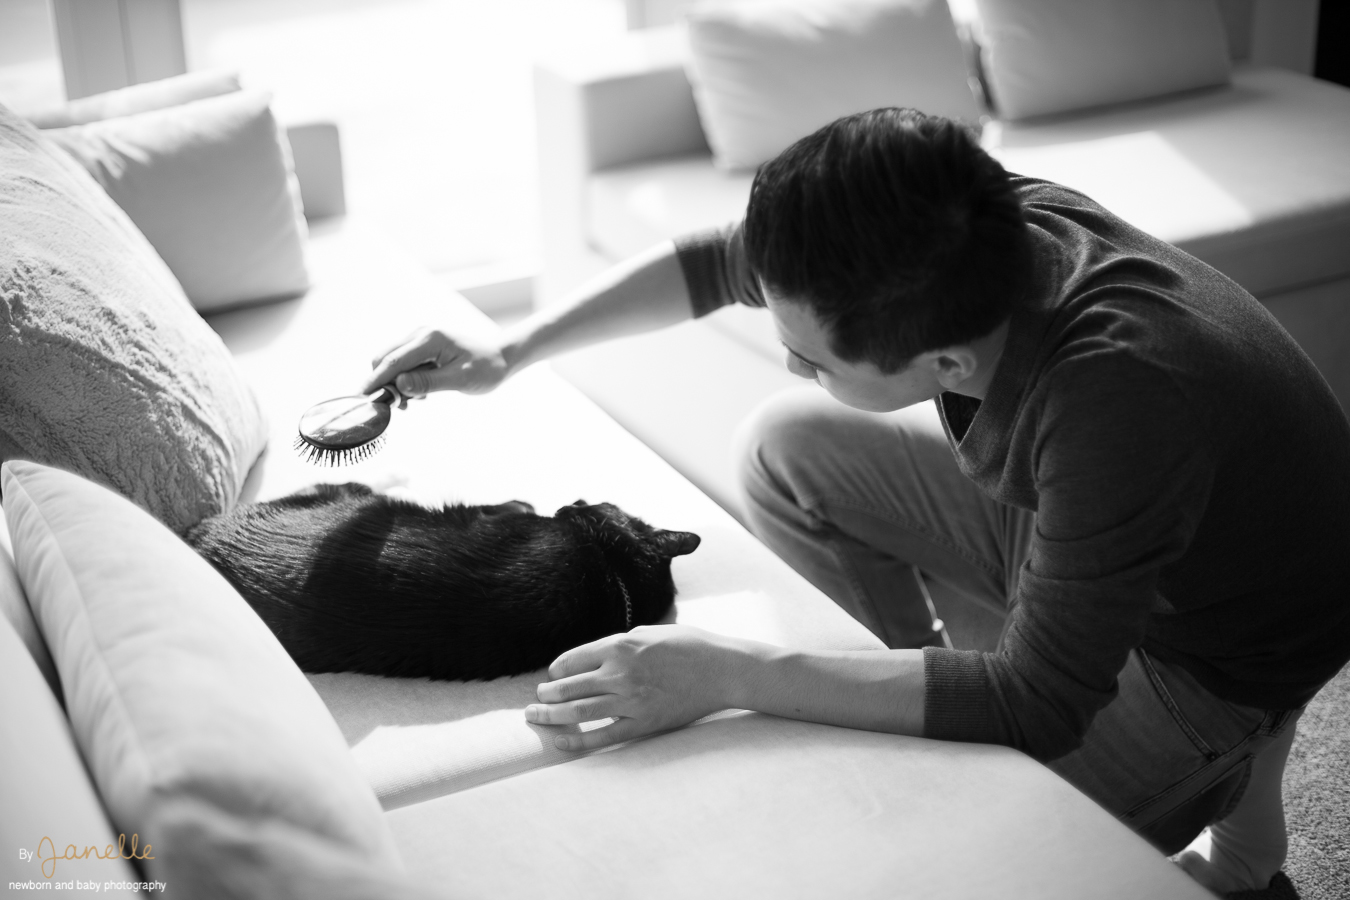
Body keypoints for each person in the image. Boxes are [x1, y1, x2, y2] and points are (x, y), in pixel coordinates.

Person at [365, 108, 1350, 894]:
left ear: (947, 363)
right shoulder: (973, 222)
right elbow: (718, 263)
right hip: (1169, 525)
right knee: (786, 446)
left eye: (813, 356)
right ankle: (987, 698)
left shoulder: (1115, 403)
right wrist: (511, 347)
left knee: (959, 855)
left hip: (1216, 648)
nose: (792, 360)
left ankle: (1238, 754)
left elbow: (1037, 705)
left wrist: (730, 672)